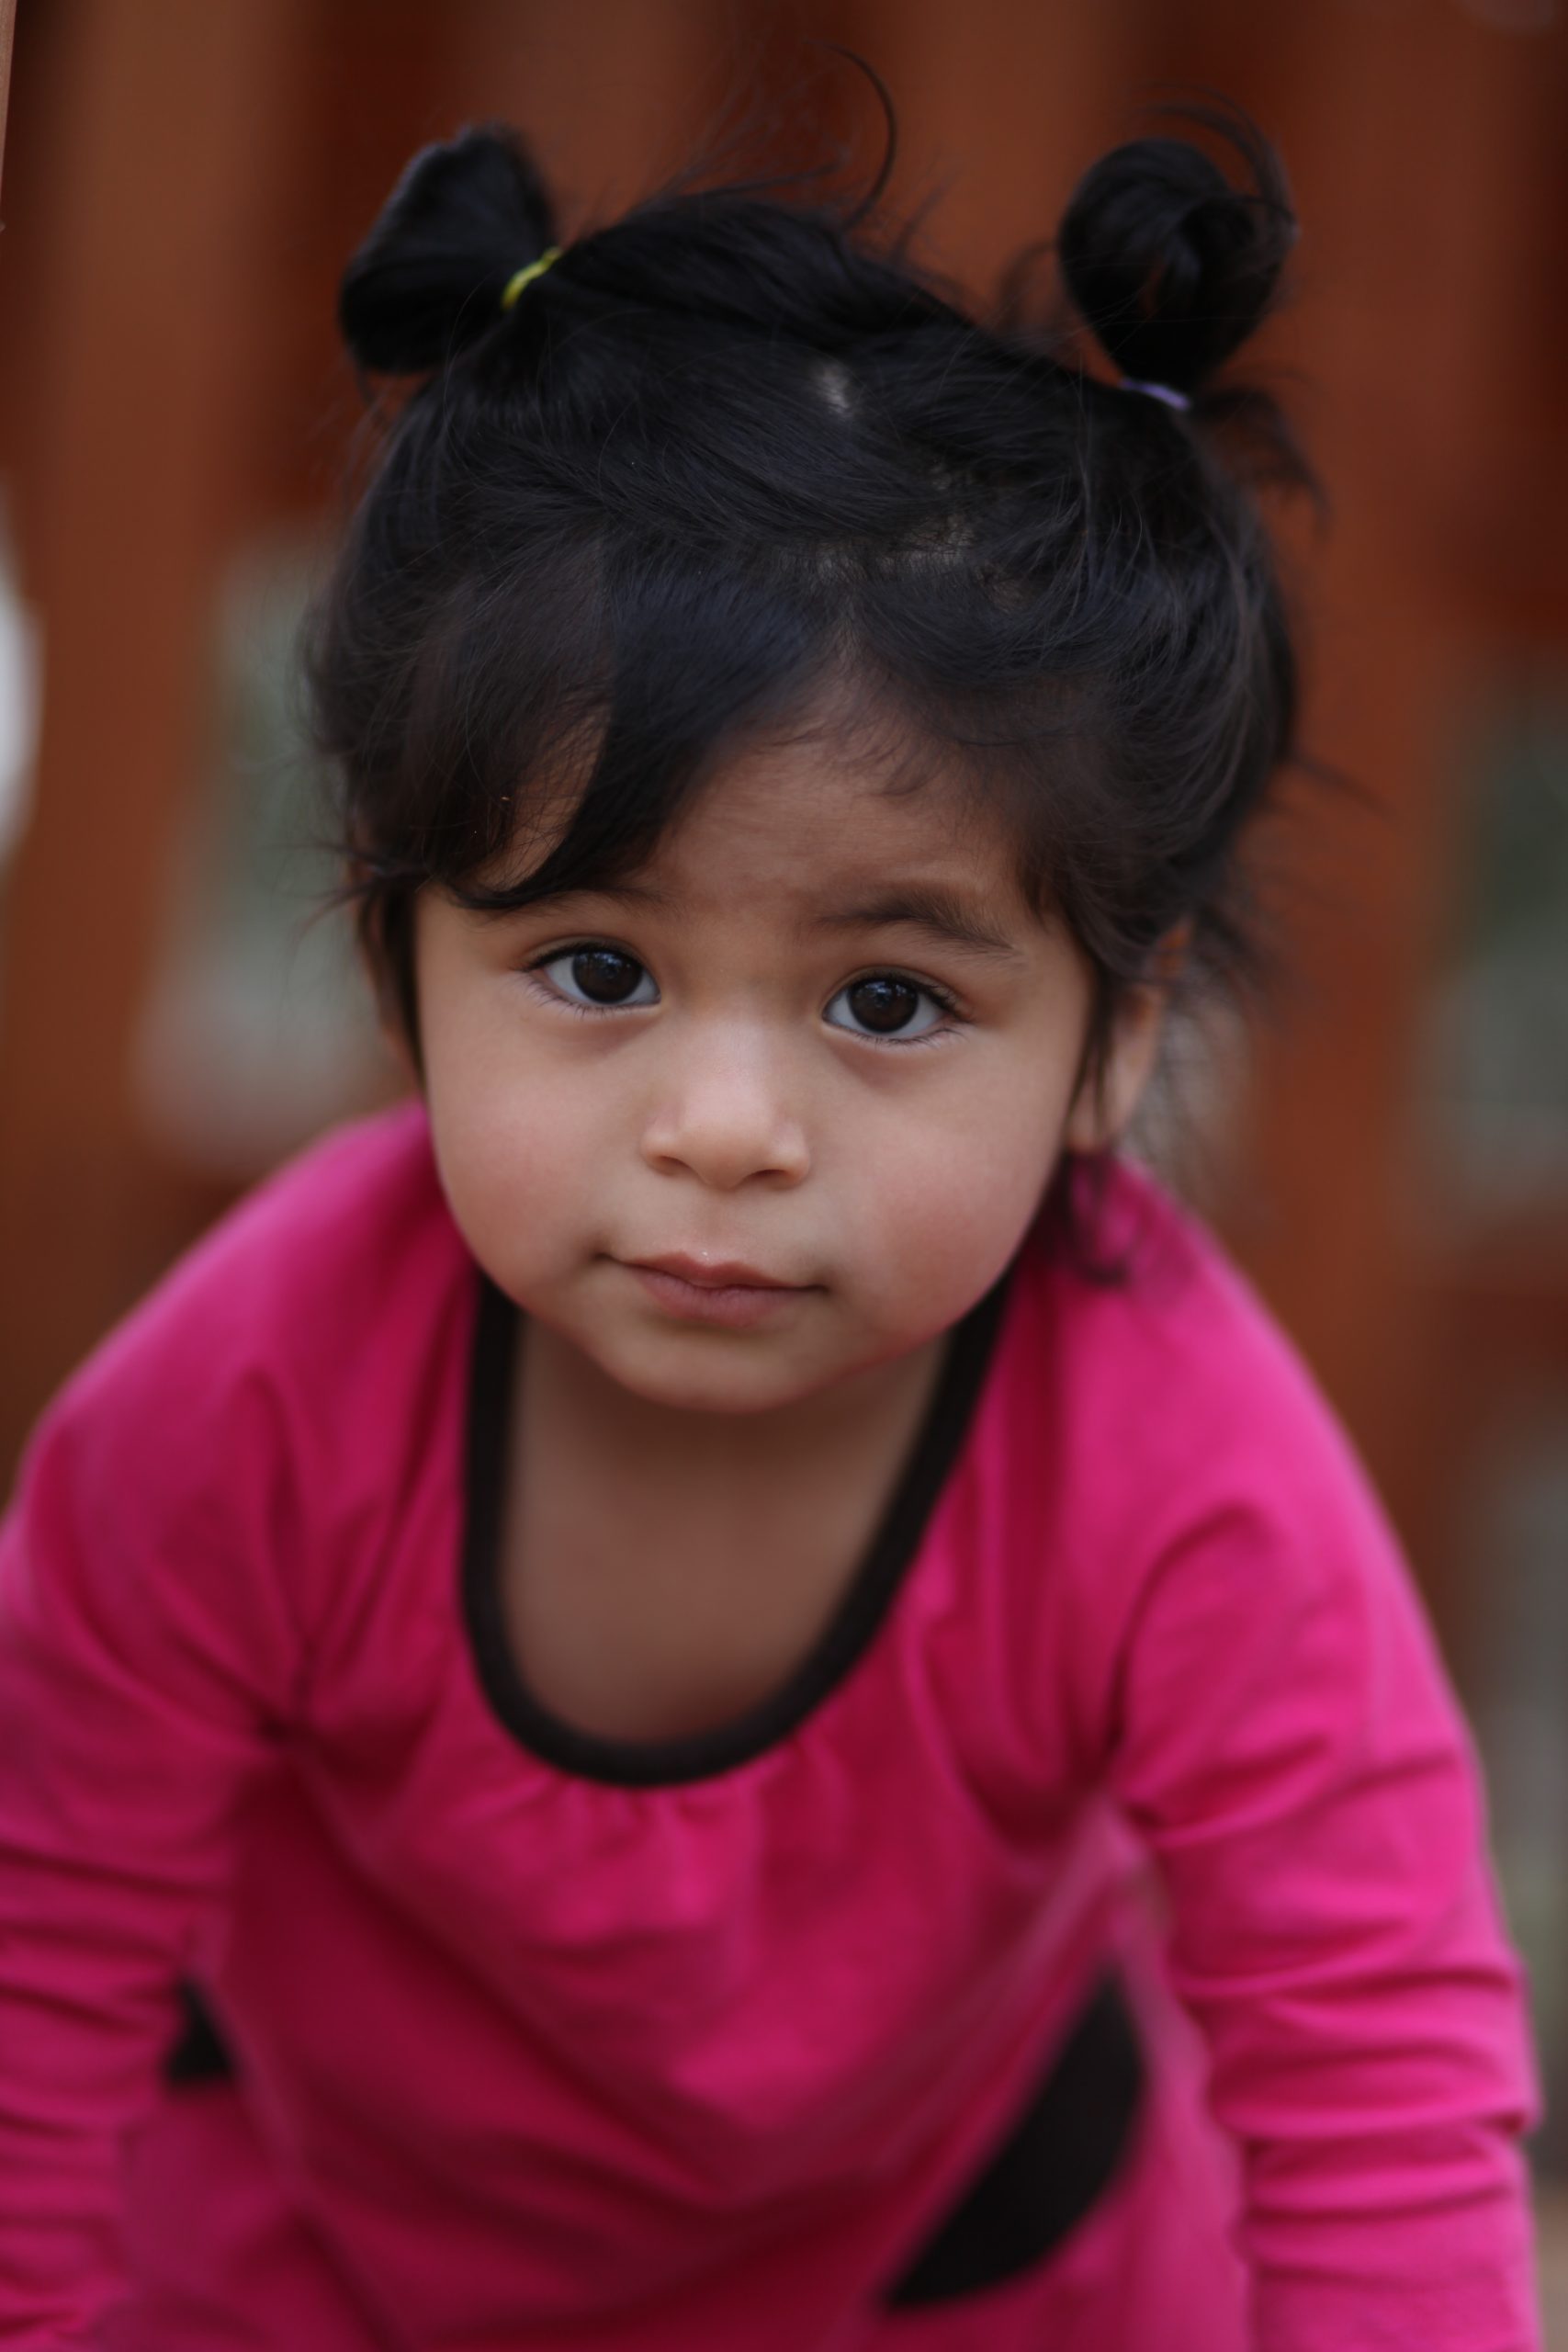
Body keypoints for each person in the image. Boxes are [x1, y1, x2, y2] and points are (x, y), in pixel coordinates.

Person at [0, 96, 1542, 2352]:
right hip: (315, 2256)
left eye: (887, 999)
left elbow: (1372, 2060)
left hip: (960, 2274)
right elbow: (36, 1960)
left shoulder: (1176, 1461)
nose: (722, 1127)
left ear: (1112, 1045)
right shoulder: (244, 1398)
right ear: (399, 968)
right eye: (595, 967)